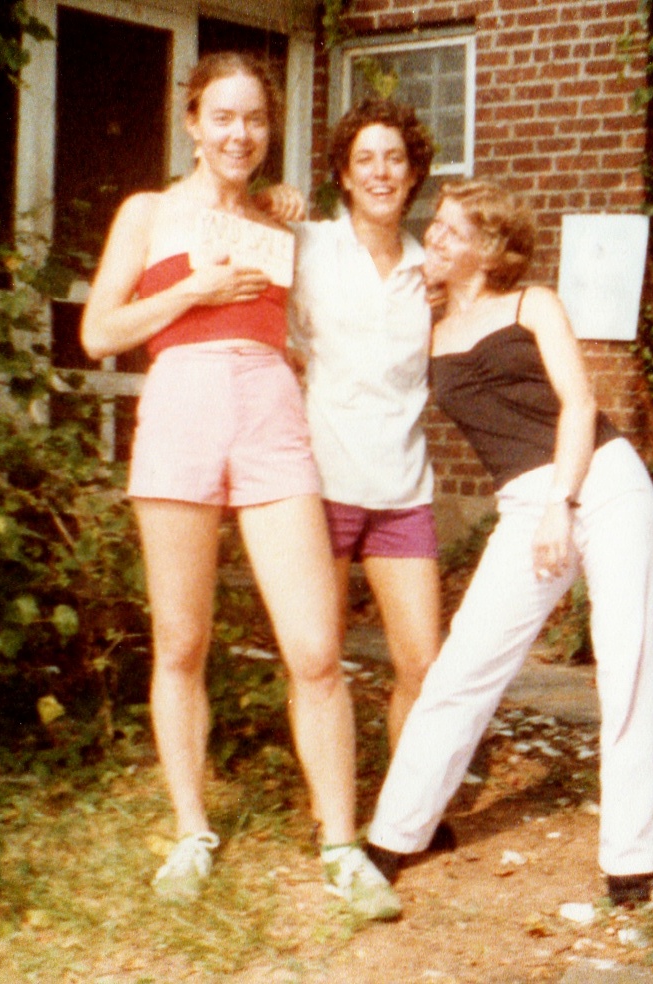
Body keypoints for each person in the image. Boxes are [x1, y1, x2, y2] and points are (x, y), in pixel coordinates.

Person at [79, 52, 400, 920]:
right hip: (180, 409)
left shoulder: (277, 220)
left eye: (255, 119)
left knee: (316, 648)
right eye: (222, 116)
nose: (239, 133)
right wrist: (192, 289)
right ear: (191, 121)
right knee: (180, 642)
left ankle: (342, 844)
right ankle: (191, 832)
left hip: (269, 413)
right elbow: (98, 332)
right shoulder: (148, 212)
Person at [363, 180, 653, 907]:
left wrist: (563, 504)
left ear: (490, 249)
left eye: (451, 230)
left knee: (624, 661)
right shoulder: (426, 325)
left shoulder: (534, 305)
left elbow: (580, 404)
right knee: (463, 664)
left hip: (603, 480)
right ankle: (394, 835)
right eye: (433, 225)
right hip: (523, 502)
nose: (433, 237)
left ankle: (629, 856)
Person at [288, 99, 443, 764]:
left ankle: (406, 818)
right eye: (365, 160)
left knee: (423, 667)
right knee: (316, 660)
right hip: (321, 487)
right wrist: (272, 199)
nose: (381, 173)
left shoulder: (432, 271)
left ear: (413, 175)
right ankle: (330, 814)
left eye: (395, 159)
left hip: (404, 493)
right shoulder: (309, 246)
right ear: (344, 177)